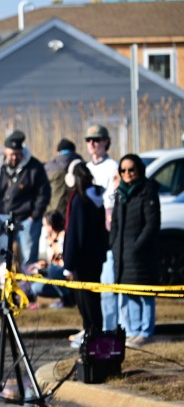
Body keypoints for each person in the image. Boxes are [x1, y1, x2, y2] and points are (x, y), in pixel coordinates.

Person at [110, 153, 161, 345]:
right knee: (128, 292)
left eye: (131, 169)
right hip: (122, 253)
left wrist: (137, 245)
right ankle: (133, 330)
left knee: (144, 293)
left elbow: (152, 224)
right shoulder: (120, 194)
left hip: (141, 253)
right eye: (123, 170)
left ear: (139, 170)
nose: (127, 173)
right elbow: (115, 222)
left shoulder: (147, 191)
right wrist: (114, 243)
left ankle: (146, 331)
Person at [0, 130, 50, 267]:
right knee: (3, 260)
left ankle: (28, 280)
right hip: (3, 219)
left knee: (28, 261)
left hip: (26, 220)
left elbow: (44, 193)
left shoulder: (34, 167)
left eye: (18, 154)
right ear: (5, 151)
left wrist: (34, 216)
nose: (14, 157)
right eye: (11, 154)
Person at [62, 161, 107, 344]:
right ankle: (91, 330)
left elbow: (74, 234)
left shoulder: (79, 200)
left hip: (82, 259)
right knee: (93, 297)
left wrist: (68, 263)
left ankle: (91, 332)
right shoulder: (96, 198)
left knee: (86, 299)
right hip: (95, 257)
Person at [82, 124, 120, 332]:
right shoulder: (87, 168)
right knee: (90, 285)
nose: (92, 144)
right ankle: (92, 327)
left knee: (107, 283)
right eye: (89, 140)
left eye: (96, 140)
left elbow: (110, 199)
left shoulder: (112, 167)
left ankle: (109, 328)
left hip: (105, 228)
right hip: (90, 231)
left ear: (106, 142)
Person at [26, 210, 70, 308]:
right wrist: (39, 265)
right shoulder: (50, 238)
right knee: (35, 287)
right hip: (53, 272)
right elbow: (51, 261)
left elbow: (60, 263)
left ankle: (68, 298)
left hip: (65, 274)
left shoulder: (64, 238)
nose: (44, 227)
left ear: (51, 226)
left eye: (45, 225)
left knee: (52, 270)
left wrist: (42, 270)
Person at [44, 138, 81, 218]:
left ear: (58, 153)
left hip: (54, 215)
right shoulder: (82, 166)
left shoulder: (49, 167)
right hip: (77, 213)